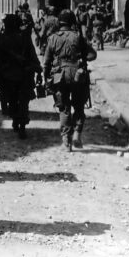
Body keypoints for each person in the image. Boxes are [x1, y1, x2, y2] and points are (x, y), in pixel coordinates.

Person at [44, 9, 97, 151]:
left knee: (64, 108)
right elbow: (93, 55)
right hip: (77, 75)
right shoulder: (79, 37)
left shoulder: (53, 38)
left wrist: (45, 79)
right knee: (79, 106)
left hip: (59, 76)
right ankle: (77, 136)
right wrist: (82, 58)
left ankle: (66, 141)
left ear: (59, 23)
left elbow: (46, 62)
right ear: (72, 22)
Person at [0, 13, 41, 137]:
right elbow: (32, 56)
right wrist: (37, 68)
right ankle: (21, 124)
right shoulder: (24, 39)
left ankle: (15, 118)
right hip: (24, 75)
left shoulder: (0, 39)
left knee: (11, 99)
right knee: (23, 101)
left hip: (7, 77)